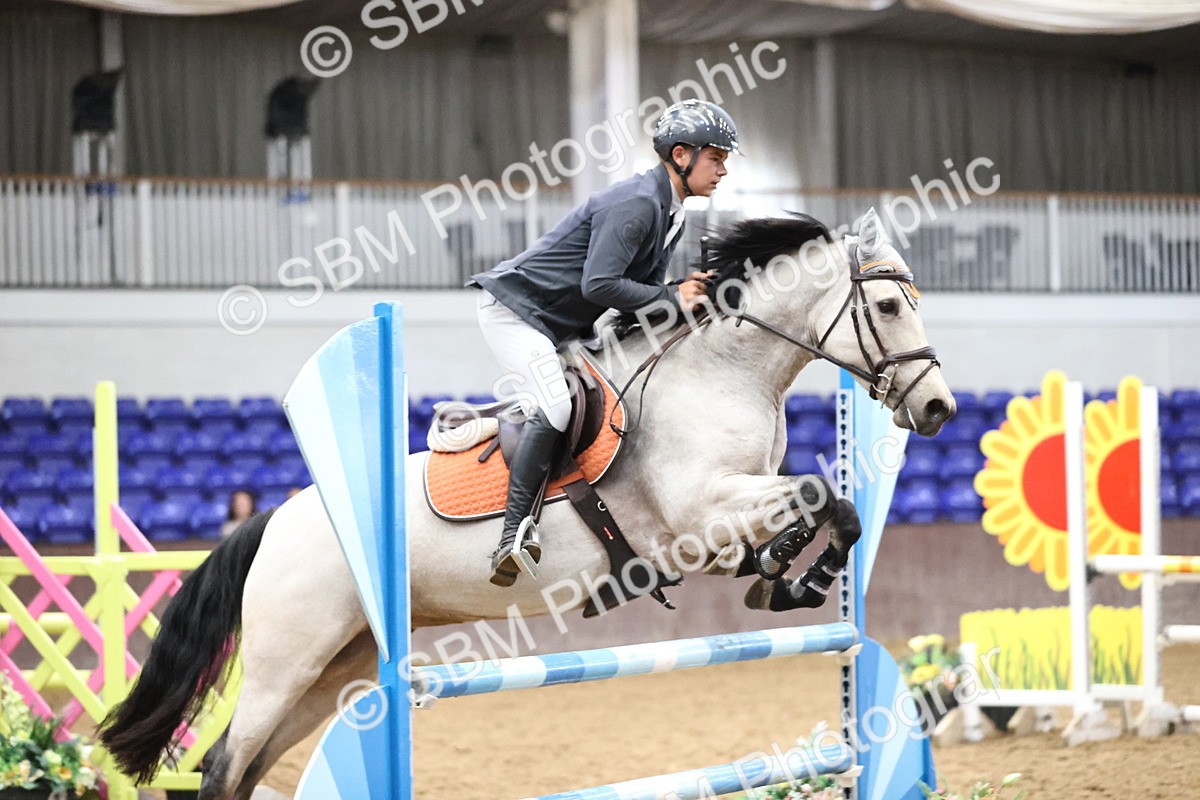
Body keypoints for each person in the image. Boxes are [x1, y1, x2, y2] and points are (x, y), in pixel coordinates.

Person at [469, 99, 739, 587]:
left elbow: (644, 294)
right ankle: (513, 534)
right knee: (553, 406)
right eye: (716, 157)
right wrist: (671, 295)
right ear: (682, 155)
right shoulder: (637, 203)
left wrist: (685, 297)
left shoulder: (670, 211)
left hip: (563, 322)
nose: (723, 169)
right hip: (518, 313)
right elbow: (600, 285)